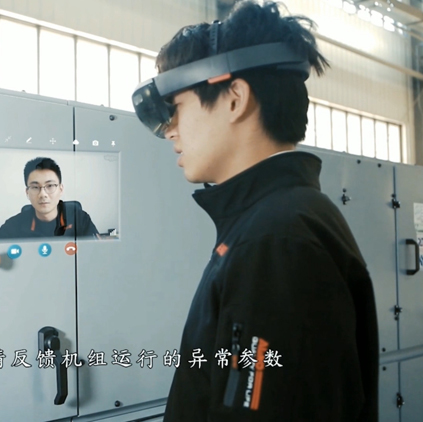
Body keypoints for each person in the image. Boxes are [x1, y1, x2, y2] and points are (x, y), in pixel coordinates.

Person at [140, 2, 379, 421]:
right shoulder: (280, 218)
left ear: (235, 99)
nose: (171, 130)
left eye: (176, 107)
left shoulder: (276, 239)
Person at [0, 157, 99, 241]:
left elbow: (97, 253)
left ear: (61, 189)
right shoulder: (10, 229)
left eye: (50, 186)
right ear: (27, 192)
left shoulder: (80, 219)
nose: (43, 194)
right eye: (35, 187)